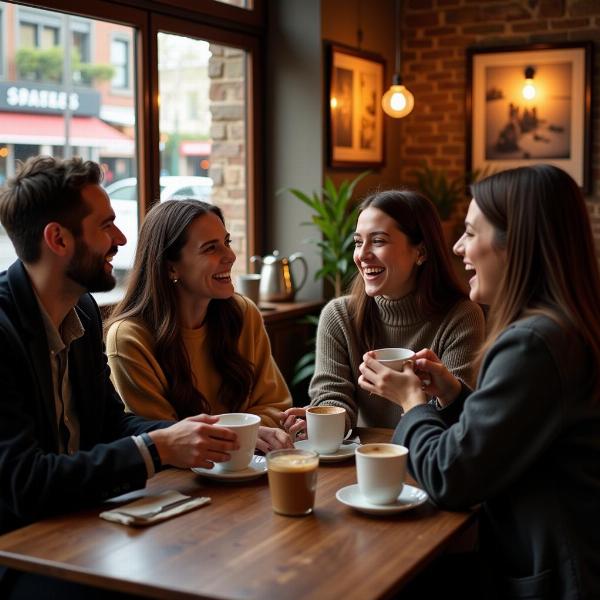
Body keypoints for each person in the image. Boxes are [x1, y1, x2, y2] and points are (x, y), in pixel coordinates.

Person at [0, 156, 241, 598]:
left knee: (218, 553)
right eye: (106, 225)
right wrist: (155, 448)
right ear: (58, 239)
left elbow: (112, 423)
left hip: (84, 527)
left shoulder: (84, 312)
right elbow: (25, 484)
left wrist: (195, 435)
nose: (122, 239)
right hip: (19, 552)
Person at [358, 165, 600, 599]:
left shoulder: (532, 344)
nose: (456, 247)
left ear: (516, 243)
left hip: (559, 576)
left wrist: (412, 402)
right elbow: (511, 434)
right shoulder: (563, 328)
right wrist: (452, 395)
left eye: (470, 233)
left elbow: (452, 477)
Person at [281, 189, 485, 436]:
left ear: (420, 252)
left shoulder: (461, 316)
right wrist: (321, 422)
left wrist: (410, 395)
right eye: (358, 242)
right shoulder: (338, 316)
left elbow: (457, 416)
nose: (362, 255)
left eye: (378, 241)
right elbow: (332, 397)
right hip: (367, 460)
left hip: (429, 457)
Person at [106, 199, 293, 454]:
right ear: (171, 266)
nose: (230, 256)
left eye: (226, 242)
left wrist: (241, 434)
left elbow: (275, 405)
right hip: (178, 483)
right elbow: (166, 439)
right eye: (210, 248)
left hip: (250, 468)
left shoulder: (243, 313)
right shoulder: (129, 338)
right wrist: (244, 432)